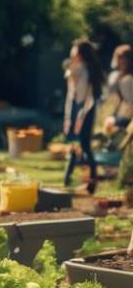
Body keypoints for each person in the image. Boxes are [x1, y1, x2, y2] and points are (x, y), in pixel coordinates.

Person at [63, 38, 104, 193]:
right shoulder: (72, 70)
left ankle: (92, 180)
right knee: (73, 145)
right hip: (75, 109)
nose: (72, 52)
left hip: (86, 110)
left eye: (75, 50)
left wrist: (80, 117)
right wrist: (68, 118)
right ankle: (67, 180)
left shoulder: (87, 71)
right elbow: (70, 96)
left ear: (81, 53)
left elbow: (88, 98)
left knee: (85, 146)